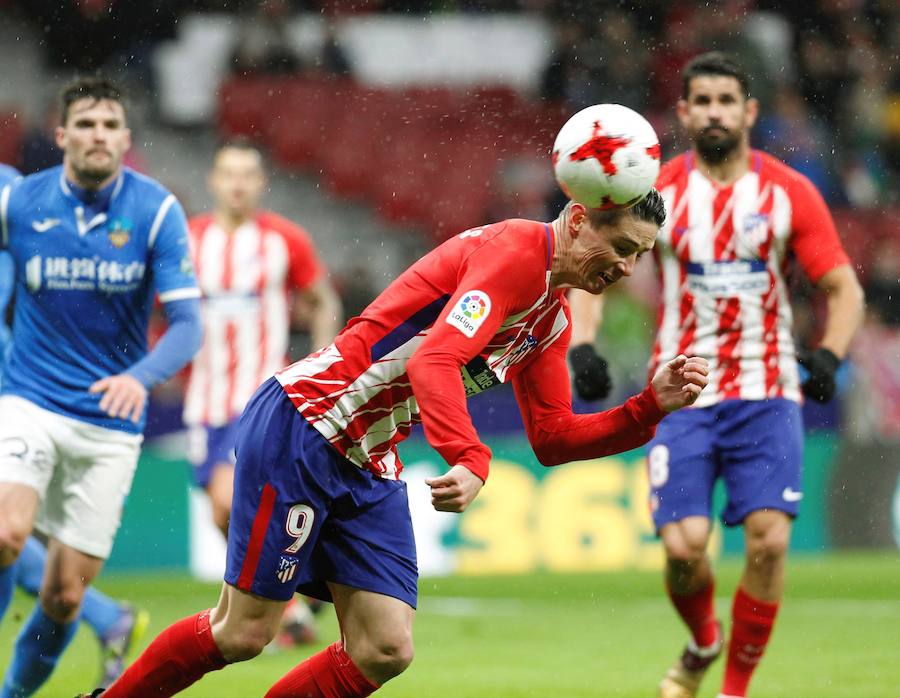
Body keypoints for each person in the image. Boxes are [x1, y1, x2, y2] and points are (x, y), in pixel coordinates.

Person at [92, 187, 710, 697]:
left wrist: (647, 407)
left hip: (370, 457)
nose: (629, 268)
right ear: (579, 221)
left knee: (384, 646)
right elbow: (435, 361)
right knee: (243, 633)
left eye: (641, 256)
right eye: (624, 248)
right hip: (308, 425)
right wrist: (470, 456)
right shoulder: (516, 253)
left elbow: (552, 438)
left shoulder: (552, 315)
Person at [570, 52, 864, 698]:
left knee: (767, 544)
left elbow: (843, 289)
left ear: (749, 111)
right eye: (700, 101)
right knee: (684, 548)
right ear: (682, 113)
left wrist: (830, 355)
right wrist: (583, 347)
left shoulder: (790, 193)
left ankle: (733, 687)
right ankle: (704, 640)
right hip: (683, 393)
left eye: (725, 101)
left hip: (767, 391)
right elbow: (590, 265)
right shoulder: (659, 193)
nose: (713, 112)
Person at [0, 76, 202, 696]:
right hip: (29, 399)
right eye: (85, 124)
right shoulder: (21, 204)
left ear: (126, 139)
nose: (98, 136)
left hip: (109, 422)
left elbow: (189, 326)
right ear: (61, 136)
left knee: (63, 597)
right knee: (6, 533)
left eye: (110, 125)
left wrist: (140, 379)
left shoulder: (157, 211)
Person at [184, 140, 341, 644]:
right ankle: (298, 593)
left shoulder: (283, 240)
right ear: (213, 180)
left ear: (261, 183)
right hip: (205, 397)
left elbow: (323, 299)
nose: (237, 183)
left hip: (262, 396)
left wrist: (321, 358)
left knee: (232, 500)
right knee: (219, 510)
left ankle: (283, 607)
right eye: (228, 173)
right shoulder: (188, 240)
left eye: (247, 174)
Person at [0, 161, 149, 689]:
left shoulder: (14, 192)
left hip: (18, 382)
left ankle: (103, 617)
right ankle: (107, 616)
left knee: (6, 533)